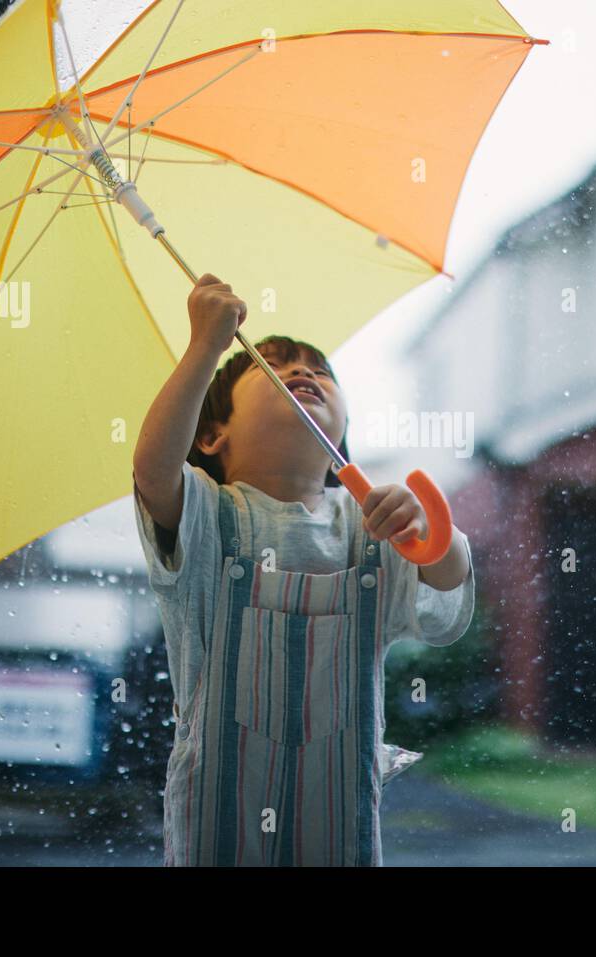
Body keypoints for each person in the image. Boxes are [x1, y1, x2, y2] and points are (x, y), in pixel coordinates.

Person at [131, 273, 475, 866]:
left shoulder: (370, 527)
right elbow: (152, 469)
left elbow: (447, 603)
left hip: (339, 831)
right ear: (212, 435)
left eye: (320, 371)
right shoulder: (207, 519)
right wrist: (205, 347)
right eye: (270, 366)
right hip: (219, 828)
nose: (304, 373)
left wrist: (430, 537)